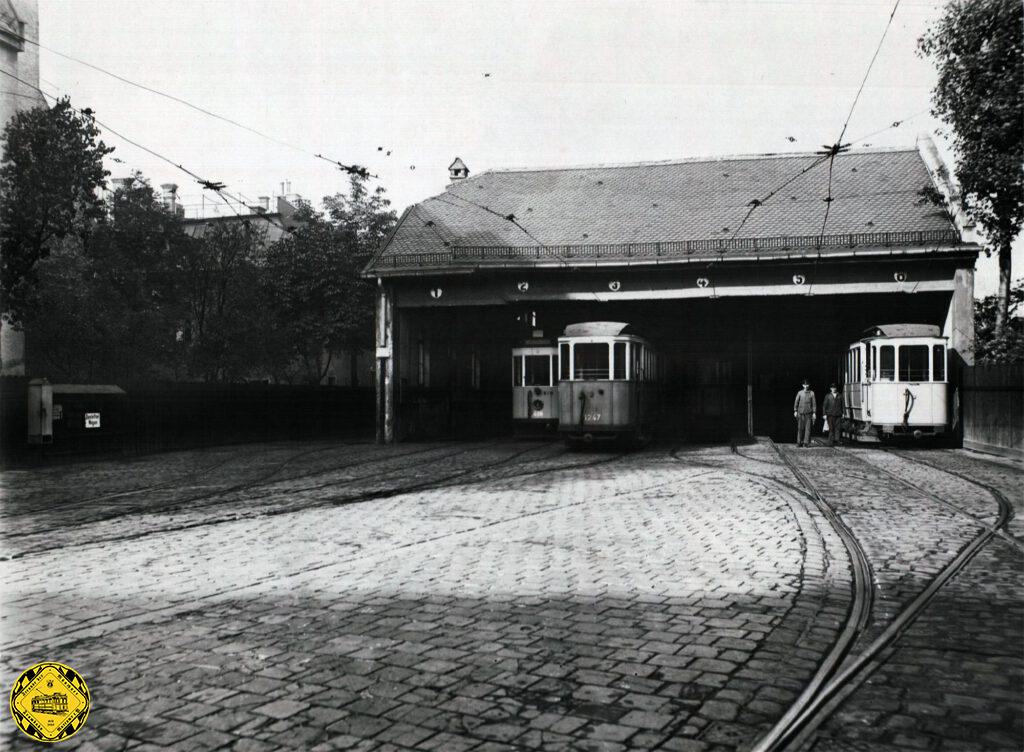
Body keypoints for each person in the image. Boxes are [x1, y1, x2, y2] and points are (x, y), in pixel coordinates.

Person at [793, 378, 816, 447]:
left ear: (809, 385)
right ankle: (799, 442)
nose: (806, 386)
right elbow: (796, 402)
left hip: (808, 413)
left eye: (807, 384)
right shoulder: (800, 393)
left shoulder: (812, 393)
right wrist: (795, 411)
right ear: (803, 385)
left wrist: (814, 412)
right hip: (800, 413)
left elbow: (814, 403)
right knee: (800, 428)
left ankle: (806, 443)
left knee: (808, 428)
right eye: (805, 385)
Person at [822, 383, 844, 447]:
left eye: (834, 388)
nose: (833, 389)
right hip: (830, 414)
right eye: (832, 388)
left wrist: (844, 413)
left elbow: (843, 405)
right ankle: (830, 442)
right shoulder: (828, 396)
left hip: (838, 414)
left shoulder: (840, 395)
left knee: (838, 428)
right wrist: (824, 414)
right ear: (830, 389)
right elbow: (824, 406)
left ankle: (837, 440)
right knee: (831, 428)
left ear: (836, 388)